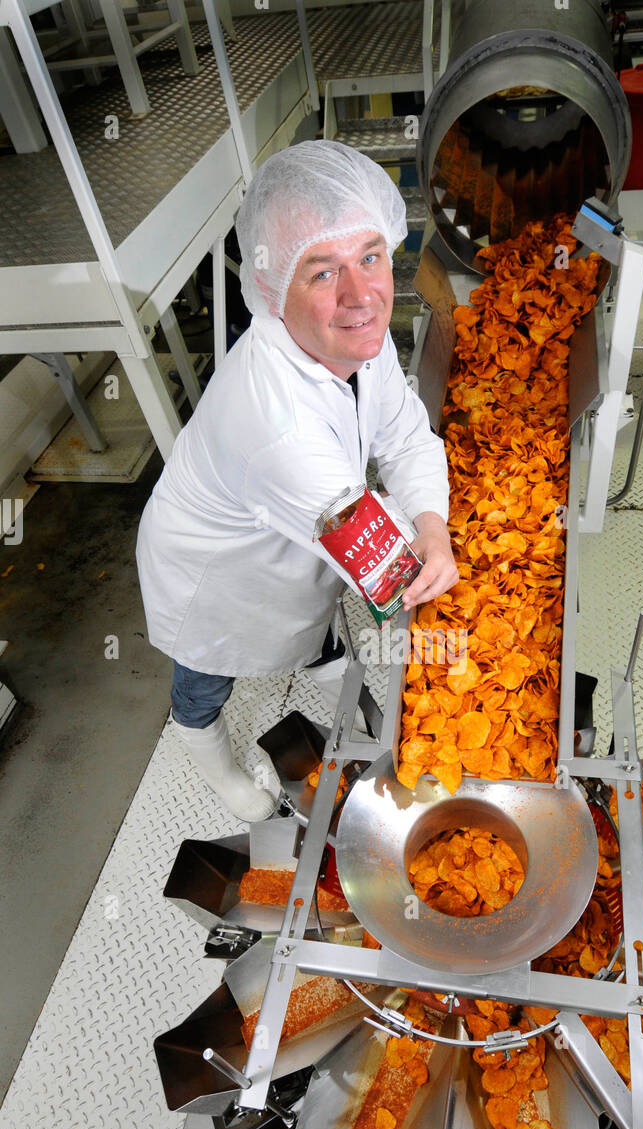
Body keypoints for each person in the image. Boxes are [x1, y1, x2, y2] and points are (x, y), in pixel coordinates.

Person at [136, 140, 457, 821]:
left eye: (370, 257)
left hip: (297, 540)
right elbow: (384, 567)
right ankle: (219, 770)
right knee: (203, 679)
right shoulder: (276, 427)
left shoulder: (355, 339)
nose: (359, 295)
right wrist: (448, 608)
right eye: (321, 272)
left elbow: (404, 437)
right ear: (271, 290)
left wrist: (433, 526)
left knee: (313, 619)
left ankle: (340, 686)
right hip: (213, 570)